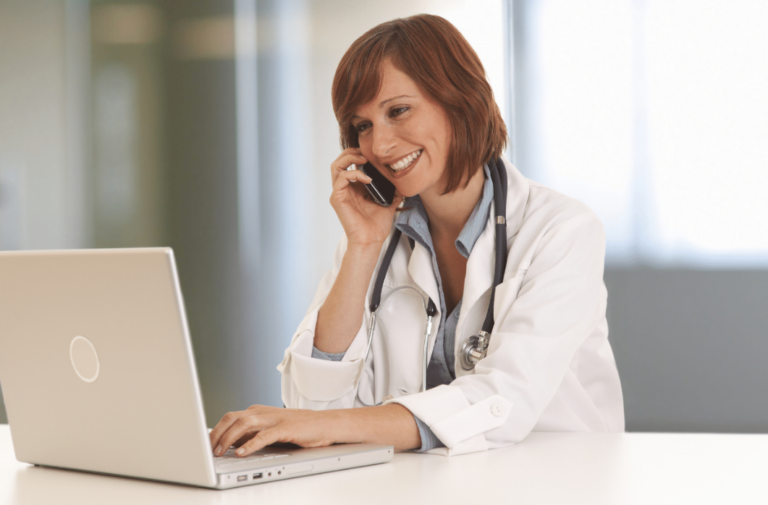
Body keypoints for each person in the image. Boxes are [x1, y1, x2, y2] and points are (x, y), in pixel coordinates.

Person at [208, 14, 624, 458]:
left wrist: (325, 424)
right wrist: (363, 247)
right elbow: (313, 405)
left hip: (554, 481)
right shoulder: (373, 241)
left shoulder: (561, 230)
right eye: (363, 125)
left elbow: (503, 401)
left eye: (398, 111)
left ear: (460, 100)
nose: (381, 146)